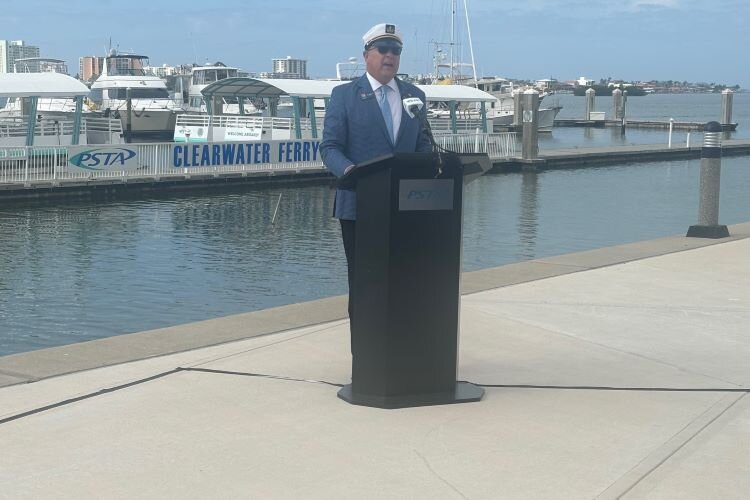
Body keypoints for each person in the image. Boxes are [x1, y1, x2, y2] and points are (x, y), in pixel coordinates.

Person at [321, 22, 433, 321]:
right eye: (382, 49)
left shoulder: (415, 96)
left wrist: (431, 170)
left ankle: (399, 353)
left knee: (403, 283)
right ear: (366, 54)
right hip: (359, 206)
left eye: (395, 50)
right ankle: (365, 361)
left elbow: (424, 147)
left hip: (406, 207)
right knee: (365, 286)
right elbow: (329, 148)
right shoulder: (344, 95)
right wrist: (351, 172)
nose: (390, 56)